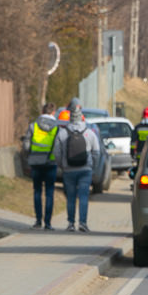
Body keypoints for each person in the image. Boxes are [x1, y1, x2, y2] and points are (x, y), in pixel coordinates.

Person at [53, 98, 100, 232]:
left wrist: (62, 164)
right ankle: (83, 223)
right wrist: (93, 167)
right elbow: (96, 152)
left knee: (71, 198)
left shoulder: (62, 133)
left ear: (69, 117)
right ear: (81, 117)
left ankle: (71, 224)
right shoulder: (89, 133)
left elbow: (56, 152)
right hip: (85, 170)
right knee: (84, 197)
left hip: (68, 170)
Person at [23, 102, 58, 230]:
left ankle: (38, 221)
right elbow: (59, 146)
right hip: (51, 163)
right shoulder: (56, 127)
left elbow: (26, 145)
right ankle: (48, 223)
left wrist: (29, 157)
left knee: (37, 191)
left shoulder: (33, 126)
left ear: (43, 111)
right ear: (53, 112)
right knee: (49, 193)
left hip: (36, 163)